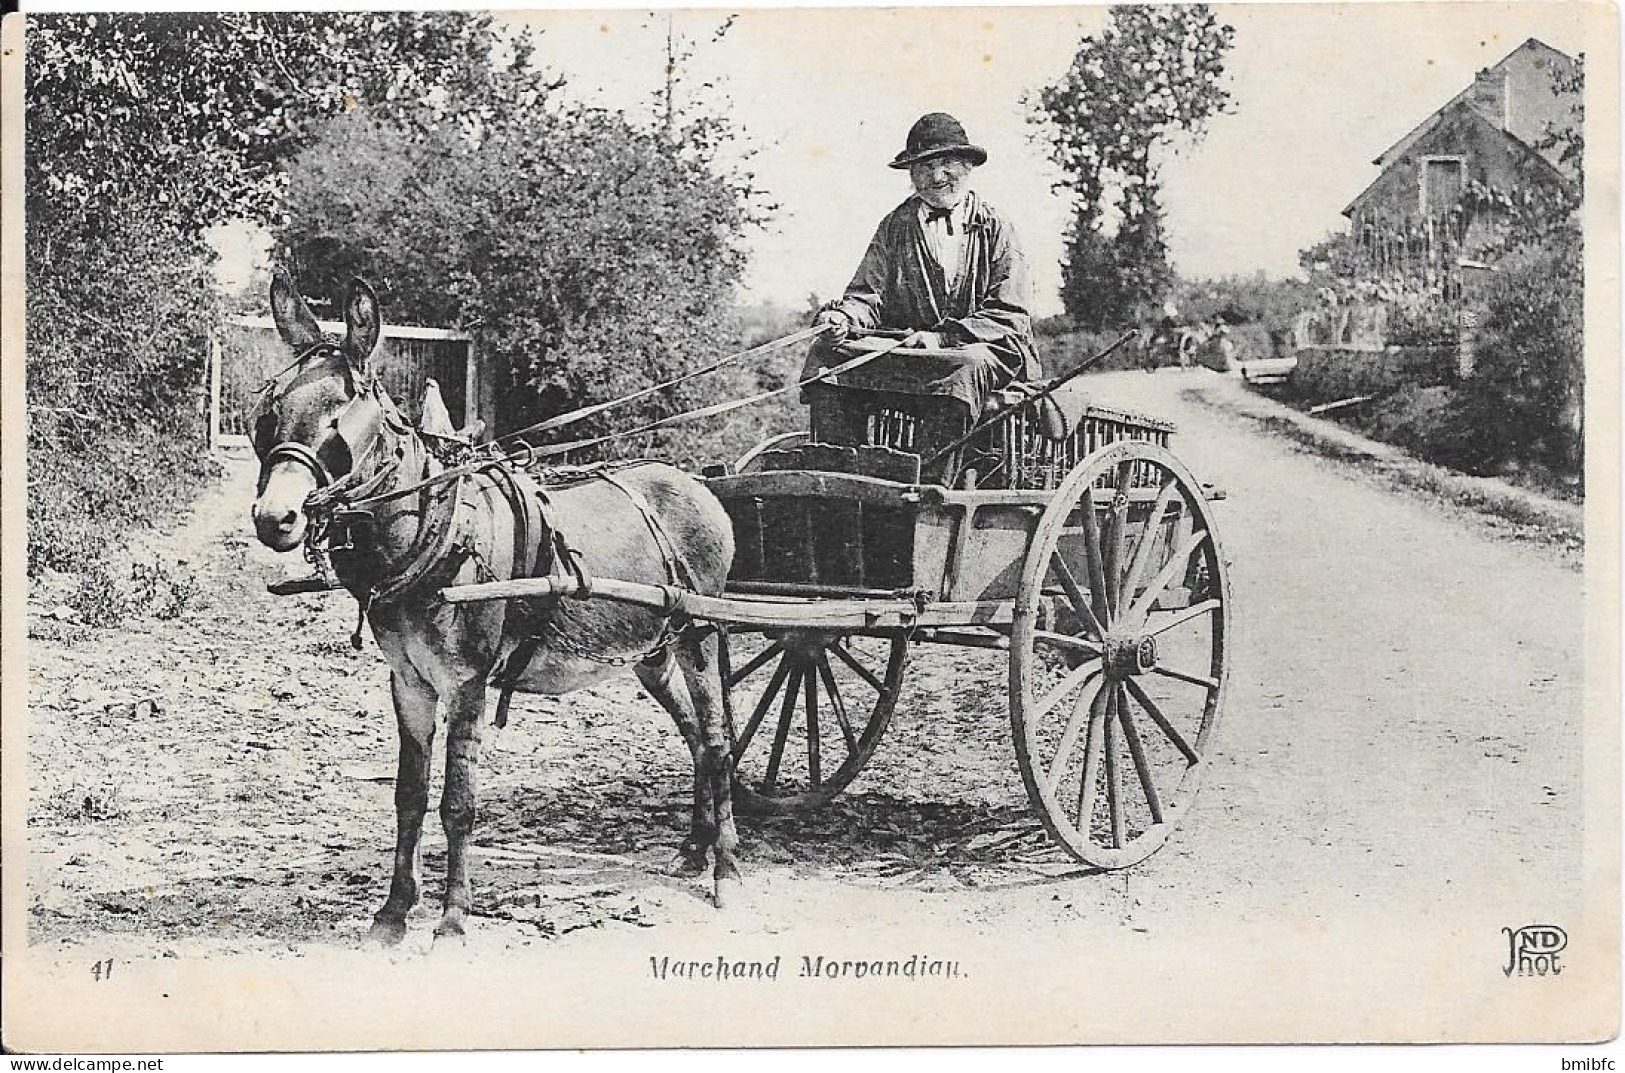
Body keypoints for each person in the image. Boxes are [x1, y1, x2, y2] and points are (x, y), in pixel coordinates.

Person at [803, 112, 1040, 419]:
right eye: (926, 166)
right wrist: (842, 318)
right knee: (826, 354)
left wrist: (942, 339)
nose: (938, 176)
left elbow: (1010, 314)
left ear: (967, 165)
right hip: (911, 352)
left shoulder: (996, 227)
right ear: (911, 173)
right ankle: (837, 463)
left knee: (966, 366)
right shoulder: (894, 226)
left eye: (947, 163)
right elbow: (868, 295)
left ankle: (936, 469)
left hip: (985, 352)